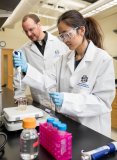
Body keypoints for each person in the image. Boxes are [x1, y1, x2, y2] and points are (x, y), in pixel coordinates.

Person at [13, 10, 115, 137]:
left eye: (67, 34)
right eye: (61, 36)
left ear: (81, 30)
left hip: (92, 129)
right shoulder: (63, 59)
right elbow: (47, 81)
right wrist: (26, 68)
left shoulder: (102, 59)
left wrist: (66, 100)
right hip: (67, 124)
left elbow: (102, 102)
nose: (64, 40)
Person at [13, 14, 69, 108]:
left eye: (31, 29)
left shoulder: (60, 43)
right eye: (26, 31)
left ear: (39, 25)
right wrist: (19, 97)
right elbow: (19, 75)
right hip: (39, 99)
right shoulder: (24, 50)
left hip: (60, 97)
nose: (29, 34)